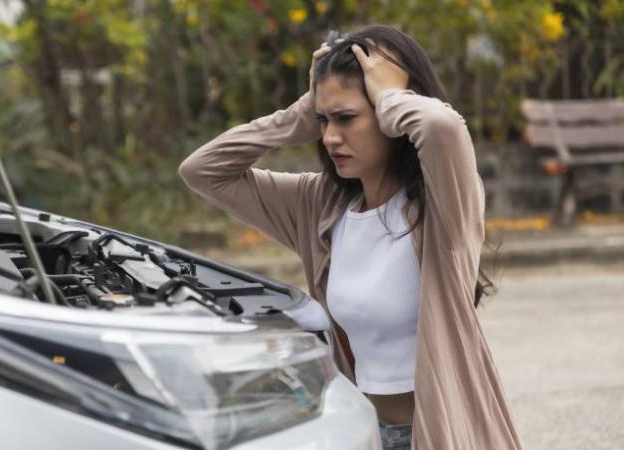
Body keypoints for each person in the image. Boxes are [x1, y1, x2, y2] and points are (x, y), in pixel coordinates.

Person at [178, 25, 524, 450]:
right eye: (324, 121)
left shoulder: (443, 209)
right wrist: (304, 111)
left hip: (435, 435)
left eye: (346, 118)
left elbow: (441, 127)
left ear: (387, 114)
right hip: (359, 435)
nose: (330, 137)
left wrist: (391, 97)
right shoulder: (320, 204)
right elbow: (202, 170)